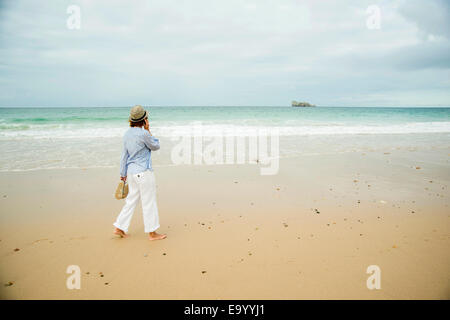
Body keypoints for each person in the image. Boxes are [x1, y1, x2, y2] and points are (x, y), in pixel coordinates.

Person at [113, 105, 167, 241]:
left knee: (131, 201)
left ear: (131, 120)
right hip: (144, 172)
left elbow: (123, 156)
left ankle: (119, 227)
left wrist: (122, 173)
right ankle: (152, 233)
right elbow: (156, 146)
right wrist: (148, 130)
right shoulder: (144, 134)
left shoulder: (127, 134)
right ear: (145, 119)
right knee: (149, 202)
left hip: (131, 173)